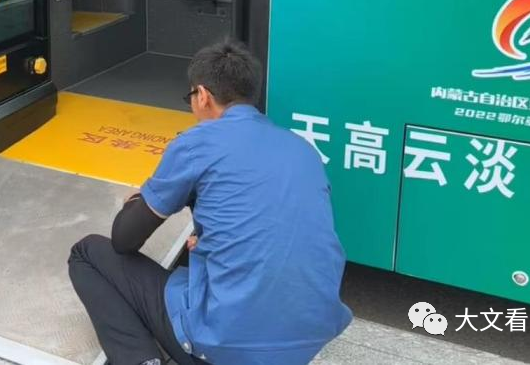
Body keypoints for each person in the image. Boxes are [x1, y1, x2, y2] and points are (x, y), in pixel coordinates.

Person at [68, 41, 352, 365]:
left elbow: (124, 239)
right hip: (306, 342)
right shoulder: (303, 150)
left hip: (222, 347)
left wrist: (136, 199)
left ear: (202, 95)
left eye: (190, 98)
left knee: (87, 253)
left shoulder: (196, 143)